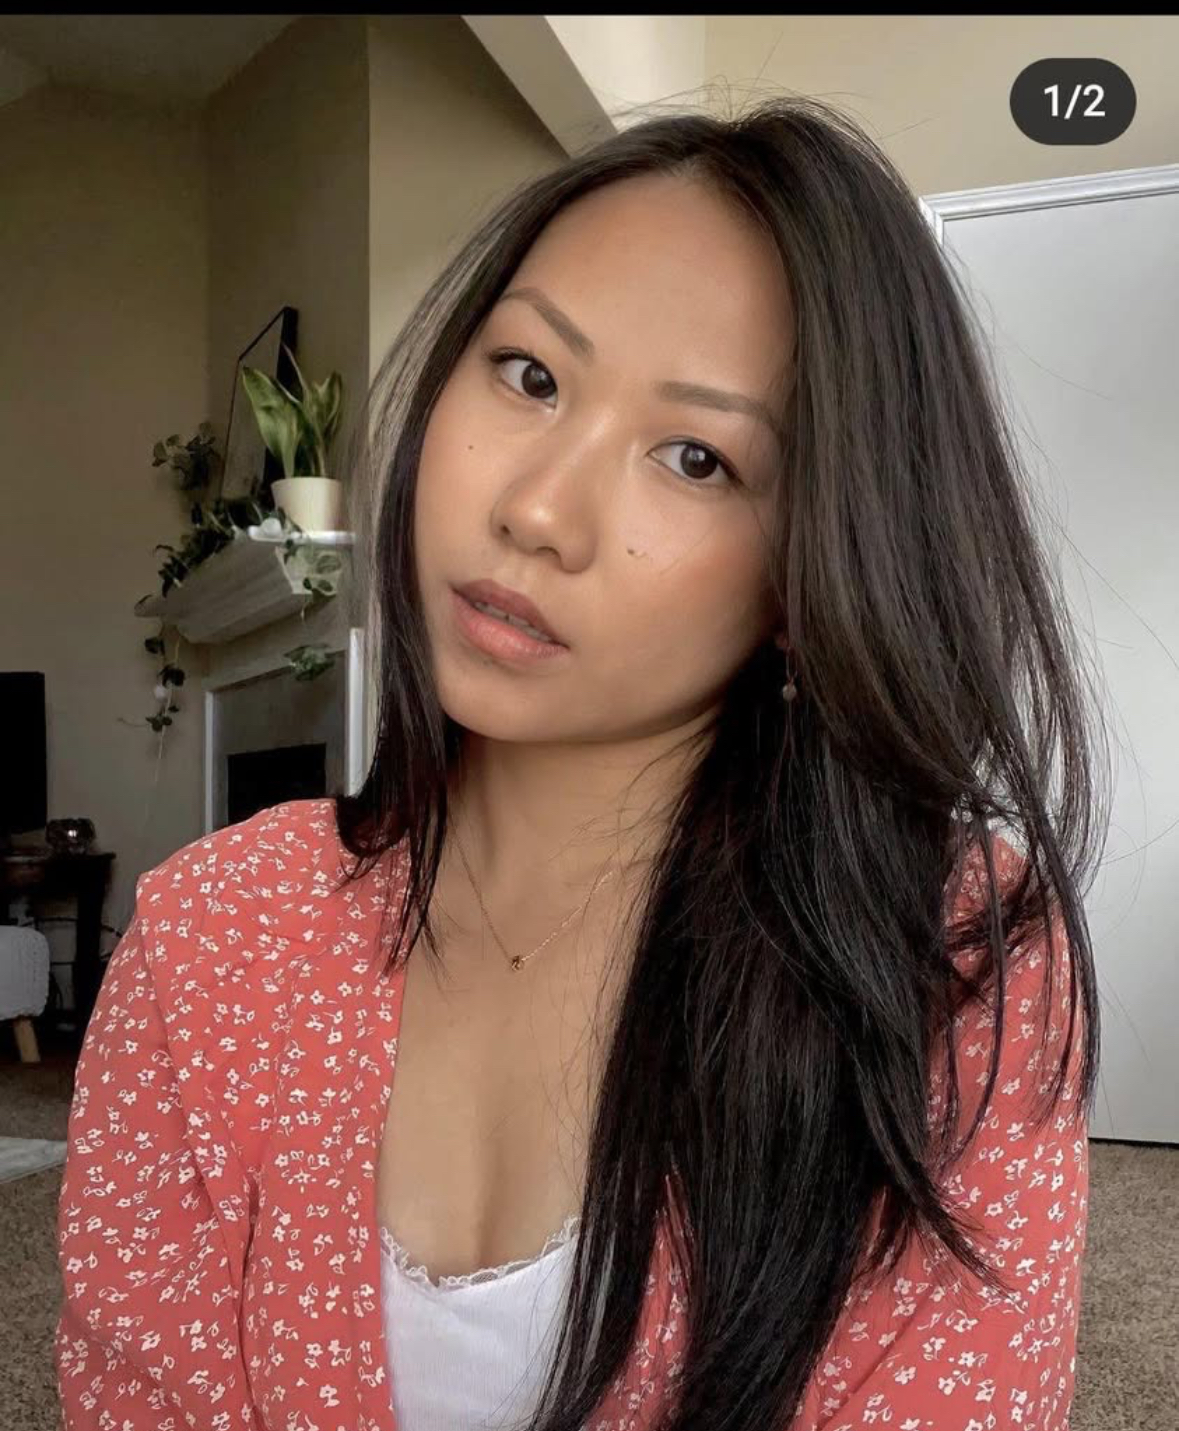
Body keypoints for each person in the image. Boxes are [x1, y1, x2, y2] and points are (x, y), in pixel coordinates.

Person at [55, 94, 1107, 1431]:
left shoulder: (953, 961)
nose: (537, 509)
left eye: (696, 458)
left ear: (815, 569)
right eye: (530, 375)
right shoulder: (209, 932)